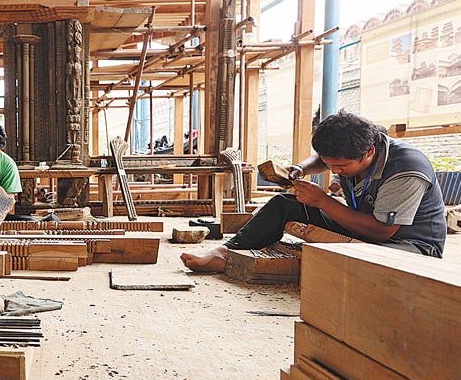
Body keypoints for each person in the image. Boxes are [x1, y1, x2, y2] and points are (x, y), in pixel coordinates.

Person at [181, 110, 447, 273]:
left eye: (341, 167)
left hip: (407, 246)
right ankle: (224, 254)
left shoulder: (406, 168)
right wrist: (300, 168)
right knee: (285, 203)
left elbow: (381, 230)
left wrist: (322, 201)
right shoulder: (363, 141)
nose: (336, 170)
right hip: (364, 226)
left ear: (369, 152)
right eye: (331, 164)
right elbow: (324, 158)